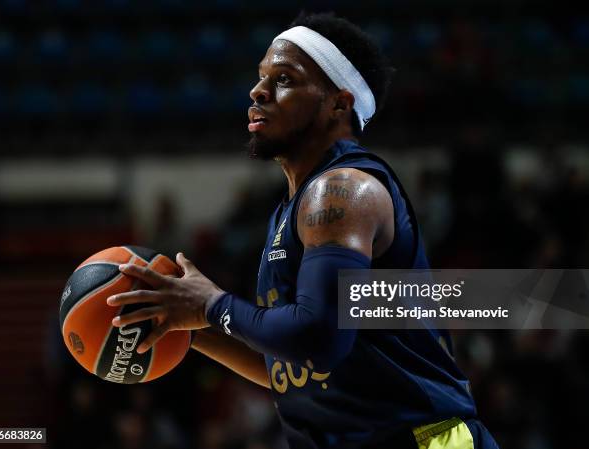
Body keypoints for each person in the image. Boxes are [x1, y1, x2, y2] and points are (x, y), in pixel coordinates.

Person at [107, 12, 499, 449]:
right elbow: (297, 371)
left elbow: (316, 339)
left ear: (339, 104)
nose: (258, 91)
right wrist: (191, 325)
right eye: (261, 77)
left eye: (285, 79)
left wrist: (213, 306)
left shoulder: (342, 191)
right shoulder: (292, 210)